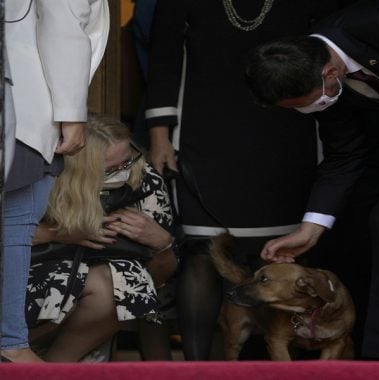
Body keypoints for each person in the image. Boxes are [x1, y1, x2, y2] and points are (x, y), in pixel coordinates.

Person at [245, 0, 379, 358]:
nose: (314, 110)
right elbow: (344, 154)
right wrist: (311, 228)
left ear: (328, 73)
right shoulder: (318, 80)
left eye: (312, 104)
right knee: (364, 226)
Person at [144, 0, 338, 360]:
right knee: (202, 252)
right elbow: (164, 54)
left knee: (283, 250)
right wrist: (159, 134)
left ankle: (283, 362)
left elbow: (331, 48)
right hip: (206, 130)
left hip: (286, 129)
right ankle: (196, 366)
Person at [1, 0, 109, 363]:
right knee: (14, 227)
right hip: (21, 101)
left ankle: (10, 343)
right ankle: (10, 344)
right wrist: (70, 111)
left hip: (20, 100)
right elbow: (62, 27)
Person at [25, 115, 177, 362]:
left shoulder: (144, 179)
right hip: (27, 280)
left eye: (129, 159)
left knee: (122, 280)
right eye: (111, 169)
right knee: (73, 281)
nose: (125, 171)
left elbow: (158, 279)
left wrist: (163, 243)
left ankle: (54, 368)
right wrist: (58, 234)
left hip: (98, 296)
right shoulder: (41, 174)